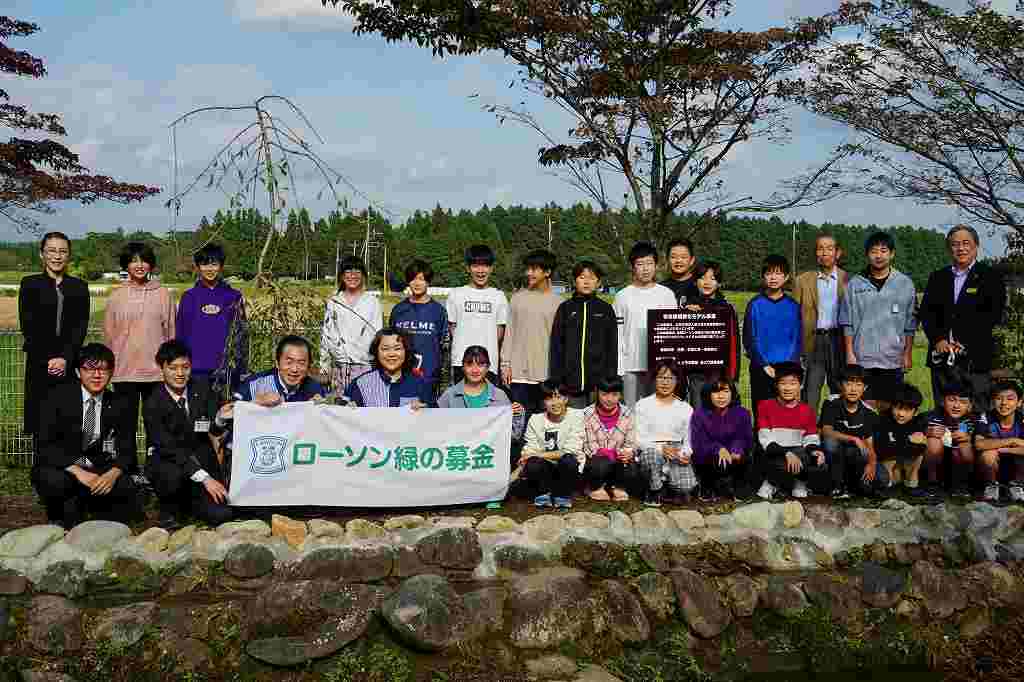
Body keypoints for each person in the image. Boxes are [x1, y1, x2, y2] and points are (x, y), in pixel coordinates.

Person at [31, 343, 139, 529]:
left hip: (100, 466)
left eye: (103, 370)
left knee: (127, 485)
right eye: (89, 369)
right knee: (52, 480)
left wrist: (112, 475)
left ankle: (95, 508)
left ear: (111, 372)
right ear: (78, 371)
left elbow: (127, 450)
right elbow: (45, 446)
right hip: (67, 465)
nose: (97, 375)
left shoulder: (121, 404)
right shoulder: (56, 398)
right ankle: (60, 512)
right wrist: (79, 472)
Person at [143, 341, 232, 530]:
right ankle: (169, 508)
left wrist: (221, 418)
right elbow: (168, 447)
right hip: (170, 463)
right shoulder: (153, 402)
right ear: (162, 368)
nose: (180, 373)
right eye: (173, 368)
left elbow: (214, 430)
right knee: (172, 476)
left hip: (201, 460)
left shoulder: (202, 387)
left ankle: (193, 505)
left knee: (222, 514)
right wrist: (206, 479)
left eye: (185, 367)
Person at [103, 241, 176, 467]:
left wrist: (170, 368)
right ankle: (128, 473)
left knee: (157, 428)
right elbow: (109, 335)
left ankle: (157, 473)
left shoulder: (163, 294)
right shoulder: (116, 297)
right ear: (126, 265)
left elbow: (171, 334)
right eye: (133, 260)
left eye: (143, 260)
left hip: (156, 375)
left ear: (151, 264)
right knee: (125, 429)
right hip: (124, 373)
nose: (139, 265)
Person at [919, 224, 1006, 408]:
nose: (961, 248)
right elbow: (927, 313)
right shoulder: (938, 277)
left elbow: (992, 316)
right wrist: (938, 339)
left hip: (976, 359)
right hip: (942, 358)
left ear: (976, 246)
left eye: (966, 243)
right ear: (949, 249)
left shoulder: (990, 277)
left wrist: (966, 341)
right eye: (955, 244)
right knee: (944, 412)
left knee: (977, 411)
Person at [19, 231, 90, 448]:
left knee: (67, 418)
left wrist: (65, 358)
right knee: (41, 419)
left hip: (68, 365)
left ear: (68, 256)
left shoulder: (79, 287)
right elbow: (28, 327)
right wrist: (50, 359)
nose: (57, 256)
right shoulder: (30, 284)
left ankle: (68, 472)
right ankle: (42, 473)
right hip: (40, 363)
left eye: (62, 251)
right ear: (42, 254)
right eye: (51, 251)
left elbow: (80, 328)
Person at [839, 232, 917, 411]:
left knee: (890, 407)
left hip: (892, 358)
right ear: (867, 254)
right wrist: (850, 354)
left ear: (892, 254)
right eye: (874, 251)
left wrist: (907, 353)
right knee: (864, 407)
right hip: (862, 358)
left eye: (883, 250)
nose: (878, 255)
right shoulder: (855, 284)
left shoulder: (904, 283)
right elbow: (847, 322)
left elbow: (910, 324)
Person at [174, 243, 248, 393]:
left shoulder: (233, 296)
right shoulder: (189, 297)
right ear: (198, 267)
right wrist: (182, 363)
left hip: (226, 368)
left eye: (214, 264)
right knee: (198, 414)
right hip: (196, 368)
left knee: (224, 413)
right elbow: (181, 332)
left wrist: (240, 366)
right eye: (204, 264)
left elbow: (241, 333)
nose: (209, 269)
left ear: (221, 266)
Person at [754, 362, 828, 500]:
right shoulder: (765, 406)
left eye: (793, 383)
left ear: (800, 385)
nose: (787, 388)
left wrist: (815, 450)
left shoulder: (807, 410)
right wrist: (786, 453)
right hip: (774, 453)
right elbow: (765, 440)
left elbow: (810, 438)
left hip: (798, 452)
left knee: (818, 461)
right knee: (774, 459)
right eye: (783, 383)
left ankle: (800, 481)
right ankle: (771, 482)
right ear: (776, 385)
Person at [615, 241, 676, 407]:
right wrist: (620, 365)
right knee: (630, 410)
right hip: (630, 365)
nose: (645, 268)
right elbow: (618, 332)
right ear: (633, 267)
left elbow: (672, 333)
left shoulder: (666, 295)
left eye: (649, 263)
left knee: (656, 409)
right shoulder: (622, 296)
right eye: (640, 264)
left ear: (656, 266)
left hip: (658, 367)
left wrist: (668, 365)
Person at [549, 260, 617, 409]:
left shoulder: (606, 309)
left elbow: (612, 346)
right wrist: (557, 378)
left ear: (598, 282)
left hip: (598, 384)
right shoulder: (565, 308)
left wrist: (610, 377)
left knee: (596, 425)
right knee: (575, 425)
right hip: (570, 382)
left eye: (591, 278)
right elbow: (556, 345)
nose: (586, 282)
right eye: (582, 277)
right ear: (575, 281)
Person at [501, 249, 562, 416]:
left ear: (547, 272)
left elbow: (560, 343)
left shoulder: (559, 303)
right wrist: (505, 364)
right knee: (519, 424)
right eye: (528, 268)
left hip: (545, 375)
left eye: (534, 269)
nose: (529, 273)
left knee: (545, 425)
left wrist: (557, 375)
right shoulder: (517, 298)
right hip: (518, 374)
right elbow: (509, 334)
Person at [793, 232, 849, 411]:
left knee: (839, 388)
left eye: (829, 248)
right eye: (820, 249)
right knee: (810, 390)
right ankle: (808, 432)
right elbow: (795, 316)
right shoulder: (802, 281)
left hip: (838, 340)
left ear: (838, 253)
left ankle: (835, 430)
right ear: (816, 253)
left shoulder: (849, 280)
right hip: (813, 341)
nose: (825, 253)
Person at [742, 255, 801, 422]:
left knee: (785, 412)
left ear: (786, 277)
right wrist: (763, 364)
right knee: (762, 410)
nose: (773, 278)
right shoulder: (755, 304)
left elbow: (797, 339)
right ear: (763, 276)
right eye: (769, 273)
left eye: (778, 274)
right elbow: (748, 339)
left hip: (786, 368)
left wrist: (790, 366)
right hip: (761, 367)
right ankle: (761, 445)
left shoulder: (792, 306)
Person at [818, 365, 889, 499]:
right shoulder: (831, 402)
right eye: (848, 383)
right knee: (830, 443)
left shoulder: (869, 412)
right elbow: (826, 431)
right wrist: (854, 439)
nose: (853, 389)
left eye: (858, 384)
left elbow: (869, 443)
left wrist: (872, 463)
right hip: (835, 454)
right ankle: (837, 484)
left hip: (856, 455)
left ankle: (852, 485)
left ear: (865, 388)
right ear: (840, 385)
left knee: (883, 479)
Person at [512, 380, 584, 509]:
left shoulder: (577, 416)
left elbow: (571, 450)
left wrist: (538, 454)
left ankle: (563, 495)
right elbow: (529, 450)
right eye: (549, 398)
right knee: (533, 463)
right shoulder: (535, 419)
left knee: (569, 460)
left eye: (559, 397)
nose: (555, 403)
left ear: (566, 398)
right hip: (545, 470)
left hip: (568, 470)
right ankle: (543, 493)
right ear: (543, 402)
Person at [319, 255, 383, 398]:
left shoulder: (372, 302)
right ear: (341, 276)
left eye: (357, 271)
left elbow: (378, 338)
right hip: (338, 369)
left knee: (363, 407)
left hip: (365, 367)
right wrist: (324, 367)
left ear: (363, 275)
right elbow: (326, 335)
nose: (352, 276)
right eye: (348, 271)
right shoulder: (334, 302)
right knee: (337, 408)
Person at [635, 360, 697, 507]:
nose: (665, 383)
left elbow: (689, 440)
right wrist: (661, 448)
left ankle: (669, 487)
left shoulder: (685, 408)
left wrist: (684, 453)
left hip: (675, 450)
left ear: (677, 381)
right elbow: (637, 438)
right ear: (654, 379)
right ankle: (654, 491)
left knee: (686, 486)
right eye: (661, 377)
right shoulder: (643, 405)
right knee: (652, 457)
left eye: (670, 378)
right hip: (651, 449)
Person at [446, 244, 509, 386]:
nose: (480, 271)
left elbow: (500, 332)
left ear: (491, 268)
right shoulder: (456, 295)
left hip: (489, 364)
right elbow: (452, 328)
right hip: (461, 363)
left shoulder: (499, 296)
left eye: (485, 266)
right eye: (475, 266)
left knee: (488, 406)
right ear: (468, 268)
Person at [682, 261, 741, 407]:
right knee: (699, 413)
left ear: (719, 283)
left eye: (713, 278)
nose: (707, 282)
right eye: (703, 278)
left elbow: (734, 345)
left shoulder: (726, 309)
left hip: (721, 373)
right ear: (696, 281)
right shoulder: (687, 307)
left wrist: (733, 376)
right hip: (696, 374)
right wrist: (686, 315)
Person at [388, 258, 448, 395]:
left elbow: (445, 347)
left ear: (428, 281)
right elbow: (389, 341)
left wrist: (443, 381)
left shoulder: (438, 311)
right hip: (400, 378)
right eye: (413, 279)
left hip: (429, 379)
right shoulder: (398, 310)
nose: (417, 283)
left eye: (421, 279)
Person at [581, 375, 642, 502]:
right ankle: (594, 487)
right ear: (597, 393)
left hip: (619, 461)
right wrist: (613, 453)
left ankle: (617, 487)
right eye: (604, 394)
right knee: (599, 463)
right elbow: (590, 447)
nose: (609, 399)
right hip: (597, 461)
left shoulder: (628, 414)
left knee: (630, 464)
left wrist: (627, 452)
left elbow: (630, 443)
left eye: (614, 394)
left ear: (620, 395)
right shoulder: (587, 414)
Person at [690, 380, 753, 501]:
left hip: (734, 456)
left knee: (746, 454)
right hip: (709, 458)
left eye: (725, 391)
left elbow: (745, 437)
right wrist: (718, 449)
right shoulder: (699, 415)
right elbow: (699, 442)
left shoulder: (742, 413)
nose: (721, 396)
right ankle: (707, 486)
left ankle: (739, 486)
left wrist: (736, 449)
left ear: (732, 393)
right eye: (716, 391)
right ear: (708, 394)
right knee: (703, 455)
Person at [347, 328, 436, 408]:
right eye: (385, 349)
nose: (391, 354)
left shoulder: (420, 384)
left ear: (406, 351)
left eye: (397, 348)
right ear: (376, 352)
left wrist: (425, 410)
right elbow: (343, 417)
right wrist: (347, 409)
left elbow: (436, 418)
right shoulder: (361, 384)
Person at [923, 382, 978, 501]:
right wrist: (927, 432)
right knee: (933, 441)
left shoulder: (973, 421)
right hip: (936, 461)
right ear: (942, 401)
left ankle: (961, 485)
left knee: (965, 445)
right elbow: (913, 431)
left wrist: (969, 437)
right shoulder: (930, 418)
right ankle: (932, 483)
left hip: (959, 462)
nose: (956, 405)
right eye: (952, 400)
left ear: (970, 406)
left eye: (963, 402)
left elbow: (981, 440)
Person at [871, 382, 927, 496]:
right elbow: (881, 450)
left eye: (907, 410)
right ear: (892, 406)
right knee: (889, 456)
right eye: (898, 408)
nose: (901, 414)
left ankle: (911, 484)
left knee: (919, 450)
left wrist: (901, 444)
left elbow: (920, 447)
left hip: (904, 465)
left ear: (915, 412)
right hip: (886, 465)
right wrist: (907, 441)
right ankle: (888, 485)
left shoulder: (918, 423)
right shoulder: (882, 421)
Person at [237, 335, 326, 404]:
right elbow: (229, 413)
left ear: (309, 366)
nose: (294, 369)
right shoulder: (255, 384)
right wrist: (255, 403)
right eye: (289, 362)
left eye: (301, 363)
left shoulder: (314, 389)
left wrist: (319, 409)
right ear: (277, 363)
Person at [975, 380, 1024, 503]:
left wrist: (998, 447)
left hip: (1017, 466)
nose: (1004, 403)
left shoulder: (1021, 419)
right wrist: (1013, 440)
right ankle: (991, 486)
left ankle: (1017, 486)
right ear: (993, 401)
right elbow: (979, 444)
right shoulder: (986, 417)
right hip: (992, 466)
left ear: (1019, 403)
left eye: (1010, 399)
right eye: (999, 398)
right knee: (988, 454)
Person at [660, 237, 699, 308]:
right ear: (667, 259)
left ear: (692, 260)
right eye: (673, 257)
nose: (678, 260)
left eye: (683, 257)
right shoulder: (660, 289)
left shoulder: (701, 286)